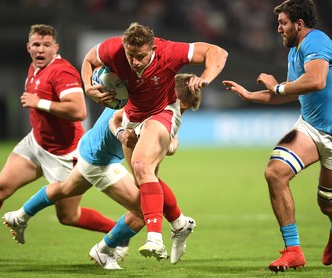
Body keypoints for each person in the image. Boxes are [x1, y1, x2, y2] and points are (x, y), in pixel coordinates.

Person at [3, 73, 202, 269]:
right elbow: (119, 123)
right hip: (101, 160)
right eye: (183, 110)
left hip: (91, 146)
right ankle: (104, 250)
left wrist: (170, 144)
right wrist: (131, 136)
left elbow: (165, 137)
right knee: (144, 211)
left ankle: (19, 216)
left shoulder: (150, 92)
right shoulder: (150, 104)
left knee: (67, 188)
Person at [222, 0, 332, 273]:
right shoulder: (294, 52)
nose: (278, 29)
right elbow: (291, 92)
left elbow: (316, 81)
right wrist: (250, 95)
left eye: (283, 23)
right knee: (275, 172)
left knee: (328, 204)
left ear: (299, 24)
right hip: (310, 128)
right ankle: (293, 251)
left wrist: (276, 86)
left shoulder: (317, 42)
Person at [0, 24, 117, 253]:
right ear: (29, 48)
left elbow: (79, 111)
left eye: (47, 45)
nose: (41, 49)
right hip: (36, 145)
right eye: (36, 44)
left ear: (56, 48)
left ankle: (119, 232)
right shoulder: (34, 68)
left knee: (69, 216)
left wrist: (40, 103)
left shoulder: (62, 72)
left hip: (67, 154)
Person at [81, 22, 228, 261]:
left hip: (162, 112)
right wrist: (88, 87)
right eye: (131, 55)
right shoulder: (113, 49)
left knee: (140, 166)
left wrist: (205, 78)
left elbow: (217, 52)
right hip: (132, 116)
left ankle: (155, 240)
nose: (135, 61)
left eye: (141, 56)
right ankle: (180, 224)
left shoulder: (169, 52)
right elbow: (88, 60)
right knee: (146, 180)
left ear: (152, 49)